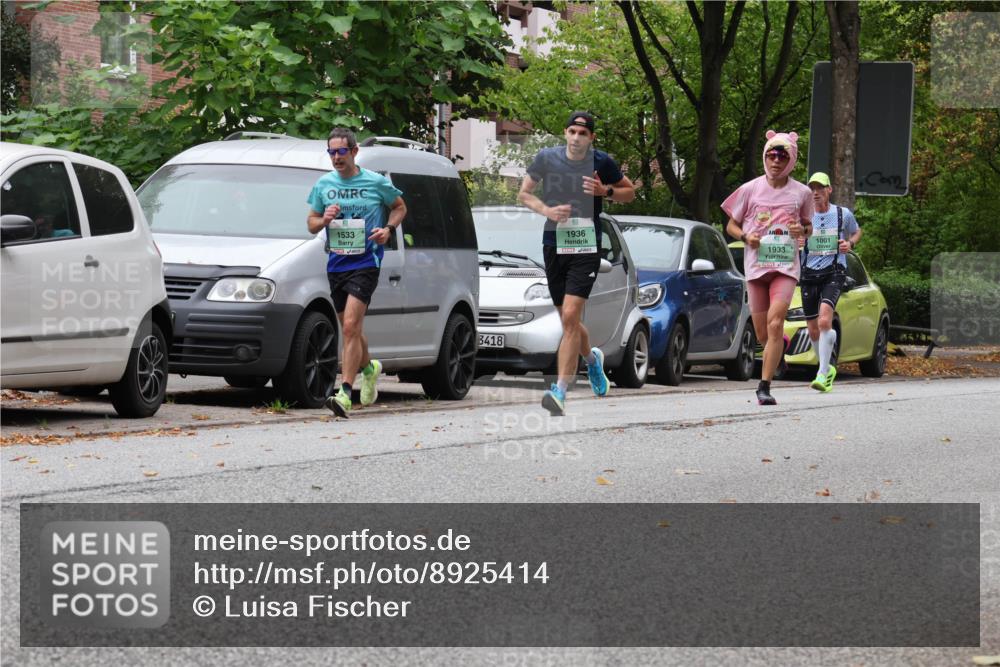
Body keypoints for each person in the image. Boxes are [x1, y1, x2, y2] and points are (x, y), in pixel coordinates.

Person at [517, 111, 635, 416]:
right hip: (554, 245)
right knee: (567, 320)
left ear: (591, 138)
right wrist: (547, 210)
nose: (577, 137)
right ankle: (593, 361)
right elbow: (524, 193)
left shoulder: (602, 162)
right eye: (572, 131)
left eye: (583, 133)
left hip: (586, 245)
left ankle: (559, 390)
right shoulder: (546, 158)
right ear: (565, 133)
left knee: (570, 315)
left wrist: (605, 191)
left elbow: (630, 192)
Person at [306, 128, 407, 418]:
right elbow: (311, 223)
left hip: (367, 262)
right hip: (336, 263)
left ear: (354, 152)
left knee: (350, 326)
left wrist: (387, 229)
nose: (336, 157)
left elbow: (400, 207)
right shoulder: (324, 184)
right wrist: (323, 218)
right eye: (332, 152)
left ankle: (345, 393)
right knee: (351, 328)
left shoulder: (375, 182)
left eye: (341, 151)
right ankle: (369, 368)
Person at [723, 130, 814, 405]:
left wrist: (803, 229)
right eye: (771, 155)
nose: (776, 160)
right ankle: (780, 347)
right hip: (756, 267)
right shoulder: (750, 189)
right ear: (765, 157)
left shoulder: (803, 193)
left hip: (785, 267)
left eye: (782, 155)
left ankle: (764, 386)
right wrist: (745, 236)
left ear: (791, 160)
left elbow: (809, 227)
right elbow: (730, 225)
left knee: (776, 324)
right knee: (763, 333)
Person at [801, 172, 862, 392]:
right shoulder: (804, 216)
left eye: (820, 188)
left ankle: (821, 373)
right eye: (812, 189)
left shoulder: (841, 214)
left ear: (829, 190)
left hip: (834, 271)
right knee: (813, 330)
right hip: (808, 273)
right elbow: (792, 237)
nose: (815, 193)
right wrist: (796, 239)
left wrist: (850, 244)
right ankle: (826, 369)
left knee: (824, 320)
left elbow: (856, 232)